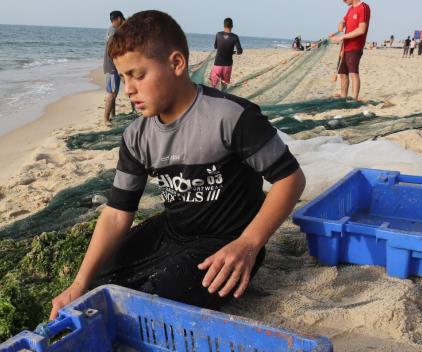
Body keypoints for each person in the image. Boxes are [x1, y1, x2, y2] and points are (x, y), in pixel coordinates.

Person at [48, 10, 305, 318]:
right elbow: (117, 214)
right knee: (99, 285)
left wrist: (249, 244)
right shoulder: (136, 136)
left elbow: (290, 179)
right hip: (173, 232)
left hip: (227, 242)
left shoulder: (229, 117)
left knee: (152, 305)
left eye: (138, 75)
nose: (128, 89)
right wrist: (79, 284)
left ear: (176, 64)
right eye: (124, 76)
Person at [330, 0, 371, 101]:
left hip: (355, 46)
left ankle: (354, 99)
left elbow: (361, 30)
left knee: (353, 73)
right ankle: (344, 98)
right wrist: (341, 23)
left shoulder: (363, 7)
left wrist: (342, 37)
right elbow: (343, 21)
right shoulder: (350, 9)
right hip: (344, 47)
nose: (343, 0)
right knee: (343, 74)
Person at [104, 10, 126, 125]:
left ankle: (113, 115)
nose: (123, 22)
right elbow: (113, 51)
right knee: (112, 93)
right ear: (118, 19)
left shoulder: (110, 29)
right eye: (122, 20)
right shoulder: (114, 32)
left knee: (113, 92)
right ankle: (106, 119)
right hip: (113, 67)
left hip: (109, 66)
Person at [210, 18, 243, 91]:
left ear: (224, 25)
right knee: (224, 86)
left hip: (218, 64)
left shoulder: (218, 34)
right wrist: (232, 52)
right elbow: (240, 51)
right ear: (232, 26)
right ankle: (223, 99)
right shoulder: (235, 37)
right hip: (228, 65)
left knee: (214, 86)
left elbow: (215, 47)